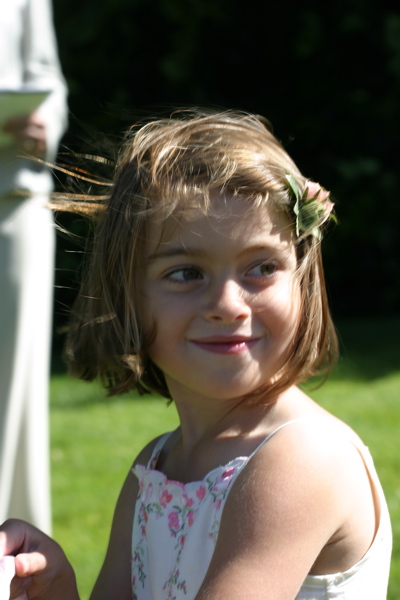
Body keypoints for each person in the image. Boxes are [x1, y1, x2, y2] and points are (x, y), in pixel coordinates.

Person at [0, 110, 392, 600]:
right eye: (186, 273)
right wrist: (54, 587)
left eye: (262, 267)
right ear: (128, 295)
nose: (228, 305)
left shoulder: (299, 460)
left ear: (303, 279)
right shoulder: (157, 466)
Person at [0, 0, 68, 534]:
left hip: (15, 198)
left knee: (13, 381)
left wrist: (44, 121)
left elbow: (46, 76)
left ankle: (13, 544)